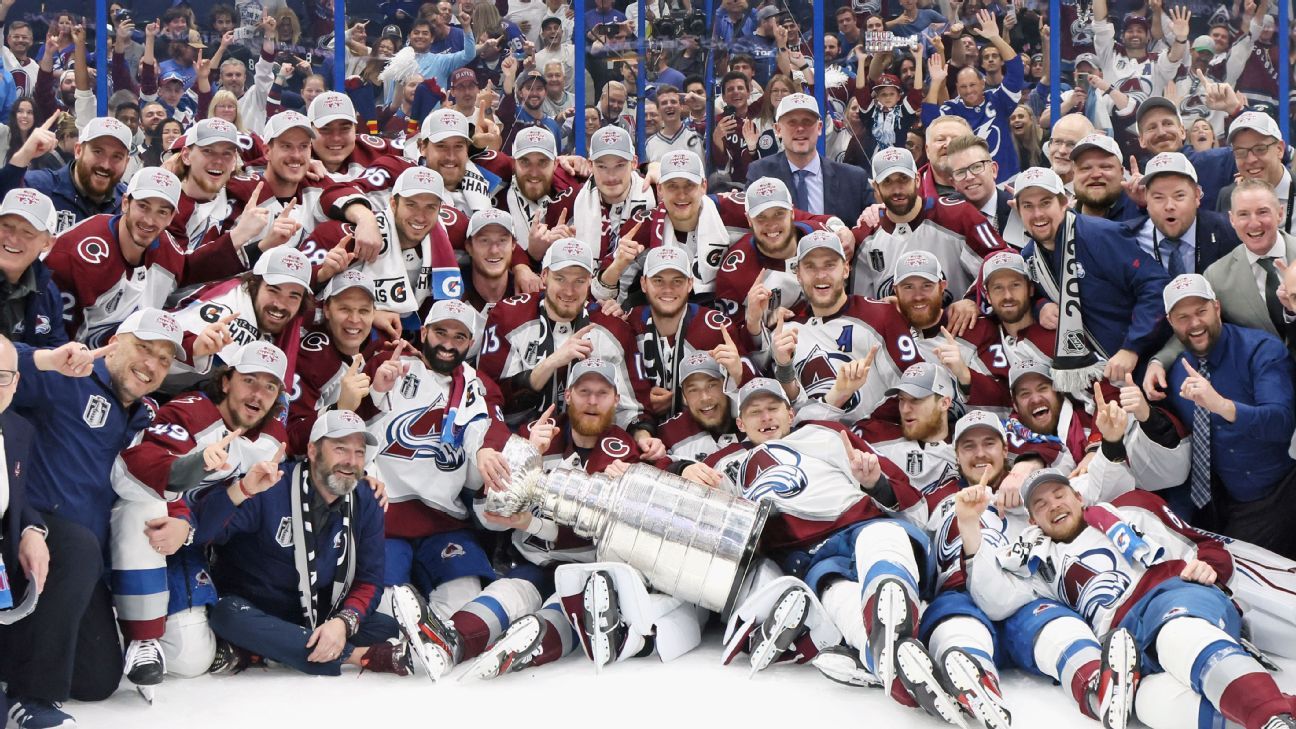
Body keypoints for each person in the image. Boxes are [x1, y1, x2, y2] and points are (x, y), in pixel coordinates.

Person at [961, 467, 1296, 729]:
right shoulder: (1035, 561)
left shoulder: (1131, 512)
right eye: (1041, 504)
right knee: (1148, 703)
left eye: (1059, 494)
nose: (1054, 506)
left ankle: (1268, 716)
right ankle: (1273, 711)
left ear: (1078, 497)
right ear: (1032, 521)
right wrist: (969, 522)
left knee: (1176, 635)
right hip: (1123, 642)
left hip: (1170, 595)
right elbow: (995, 599)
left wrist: (1209, 568)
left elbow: (1205, 545)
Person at [1, 309, 182, 726]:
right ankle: (32, 697)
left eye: (164, 360)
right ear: (115, 343)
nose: (151, 364)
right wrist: (48, 360)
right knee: (78, 547)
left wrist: (182, 519)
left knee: (96, 681)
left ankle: (12, 663)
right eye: (143, 348)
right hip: (26, 538)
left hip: (80, 565)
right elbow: (6, 363)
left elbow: (164, 473)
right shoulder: (70, 375)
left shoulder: (144, 417)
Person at [109, 341, 289, 697]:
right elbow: (141, 472)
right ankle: (131, 630)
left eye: (270, 386)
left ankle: (134, 627)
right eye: (249, 380)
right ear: (226, 382)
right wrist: (181, 514)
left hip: (185, 544)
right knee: (146, 505)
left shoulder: (271, 441)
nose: (258, 394)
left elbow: (208, 524)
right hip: (134, 533)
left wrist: (243, 490)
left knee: (191, 660)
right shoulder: (191, 413)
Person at [198, 410, 426, 678]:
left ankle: (266, 651)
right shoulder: (270, 485)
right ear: (313, 451)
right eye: (340, 449)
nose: (351, 462)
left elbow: (369, 580)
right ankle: (356, 656)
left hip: (317, 611)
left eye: (359, 453)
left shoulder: (367, 499)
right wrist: (243, 490)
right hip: (254, 607)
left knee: (385, 627)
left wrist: (342, 624)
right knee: (227, 615)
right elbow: (205, 534)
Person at [1155, 273, 1296, 557]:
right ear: (1170, 322)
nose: (1194, 324)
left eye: (1201, 312)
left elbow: (1282, 424)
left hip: (1284, 487)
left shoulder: (1260, 350)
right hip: (1227, 504)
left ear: (1217, 307)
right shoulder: (1175, 373)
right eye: (1183, 317)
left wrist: (1221, 405)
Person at [44, 166, 248, 347]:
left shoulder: (165, 247)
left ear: (171, 218)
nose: (150, 220)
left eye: (162, 212)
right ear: (125, 203)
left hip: (119, 355)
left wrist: (252, 243)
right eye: (143, 206)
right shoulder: (77, 254)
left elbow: (187, 269)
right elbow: (51, 333)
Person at [1014, 167, 1170, 392]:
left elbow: (1156, 286)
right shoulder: (1030, 255)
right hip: (1100, 373)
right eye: (1028, 206)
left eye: (1045, 203)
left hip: (1148, 357)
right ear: (1018, 210)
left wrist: (1132, 347)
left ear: (1064, 202)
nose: (1037, 214)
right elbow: (1036, 293)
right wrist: (1041, 306)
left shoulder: (1100, 235)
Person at [851, 146, 1005, 301]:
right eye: (887, 182)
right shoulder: (865, 234)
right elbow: (861, 305)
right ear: (876, 188)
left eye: (903, 179)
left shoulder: (959, 216)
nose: (897, 189)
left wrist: (973, 301)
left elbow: (1002, 263)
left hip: (955, 324)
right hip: (893, 325)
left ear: (917, 179)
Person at [0, 334, 50, 722]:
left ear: (16, 383)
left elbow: (17, 498)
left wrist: (32, 529)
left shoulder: (18, 431)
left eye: (1, 377)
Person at [923, 10, 1024, 182]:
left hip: (1008, 180)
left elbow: (1016, 71)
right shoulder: (953, 109)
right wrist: (936, 82)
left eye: (973, 85)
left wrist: (995, 38)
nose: (969, 90)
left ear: (983, 83)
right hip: (970, 183)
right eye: (963, 87)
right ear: (956, 87)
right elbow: (929, 121)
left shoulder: (997, 99)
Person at [746, 93, 873, 227]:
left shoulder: (854, 179)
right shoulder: (760, 174)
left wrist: (854, 236)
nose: (800, 129)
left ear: (819, 127)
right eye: (792, 122)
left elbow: (872, 227)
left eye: (807, 121)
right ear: (778, 129)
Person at [2, 116, 132, 235]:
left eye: (117, 157)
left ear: (126, 162)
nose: (106, 165)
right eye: (98, 152)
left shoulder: (131, 205)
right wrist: (22, 157)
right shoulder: (41, 187)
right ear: (78, 151)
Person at [1128, 152, 1240, 281]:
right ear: (1146, 198)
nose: (1169, 206)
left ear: (1197, 196)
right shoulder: (1129, 240)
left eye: (1179, 196)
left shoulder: (1230, 232)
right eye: (1158, 197)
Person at [0, 187, 68, 348]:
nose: (13, 238)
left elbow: (57, 354)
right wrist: (39, 358)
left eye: (27, 232)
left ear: (48, 244)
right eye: (6, 226)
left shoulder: (47, 290)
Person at [1213, 112, 1293, 233]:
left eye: (1260, 149)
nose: (1251, 159)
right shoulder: (1228, 197)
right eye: (1240, 152)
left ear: (1280, 149)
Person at [1069, 134, 1142, 222]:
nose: (1095, 175)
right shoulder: (1063, 223)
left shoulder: (1145, 214)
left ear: (1121, 172)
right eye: (1086, 168)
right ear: (1074, 174)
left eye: (1105, 167)